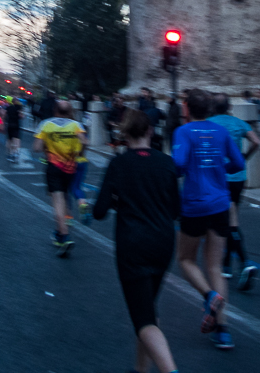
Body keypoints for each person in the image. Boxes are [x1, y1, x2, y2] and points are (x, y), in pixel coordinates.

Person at [94, 109, 181, 373]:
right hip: (164, 243)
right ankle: (140, 368)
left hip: (133, 245)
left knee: (143, 319)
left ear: (125, 133)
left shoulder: (119, 164)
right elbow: (176, 210)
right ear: (150, 131)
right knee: (147, 308)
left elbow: (99, 211)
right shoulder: (167, 163)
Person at [172, 88, 245, 350]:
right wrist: (217, 169)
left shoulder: (183, 132)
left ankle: (209, 296)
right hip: (220, 204)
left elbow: (178, 165)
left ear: (187, 109)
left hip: (194, 205)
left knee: (185, 259)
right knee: (215, 267)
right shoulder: (221, 131)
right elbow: (238, 164)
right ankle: (223, 330)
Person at [209, 93, 260, 290]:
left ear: (213, 107)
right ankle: (226, 265)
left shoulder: (210, 123)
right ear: (229, 106)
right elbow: (256, 142)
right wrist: (244, 157)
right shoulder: (239, 123)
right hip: (238, 177)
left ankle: (245, 262)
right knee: (231, 218)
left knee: (228, 222)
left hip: (220, 177)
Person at [33, 101, 87, 256]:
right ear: (70, 111)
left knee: (57, 201)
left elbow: (36, 148)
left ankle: (64, 236)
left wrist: (47, 148)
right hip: (71, 167)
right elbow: (85, 142)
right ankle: (59, 232)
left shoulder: (46, 124)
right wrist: (80, 152)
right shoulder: (76, 125)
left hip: (54, 167)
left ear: (55, 109)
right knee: (65, 197)